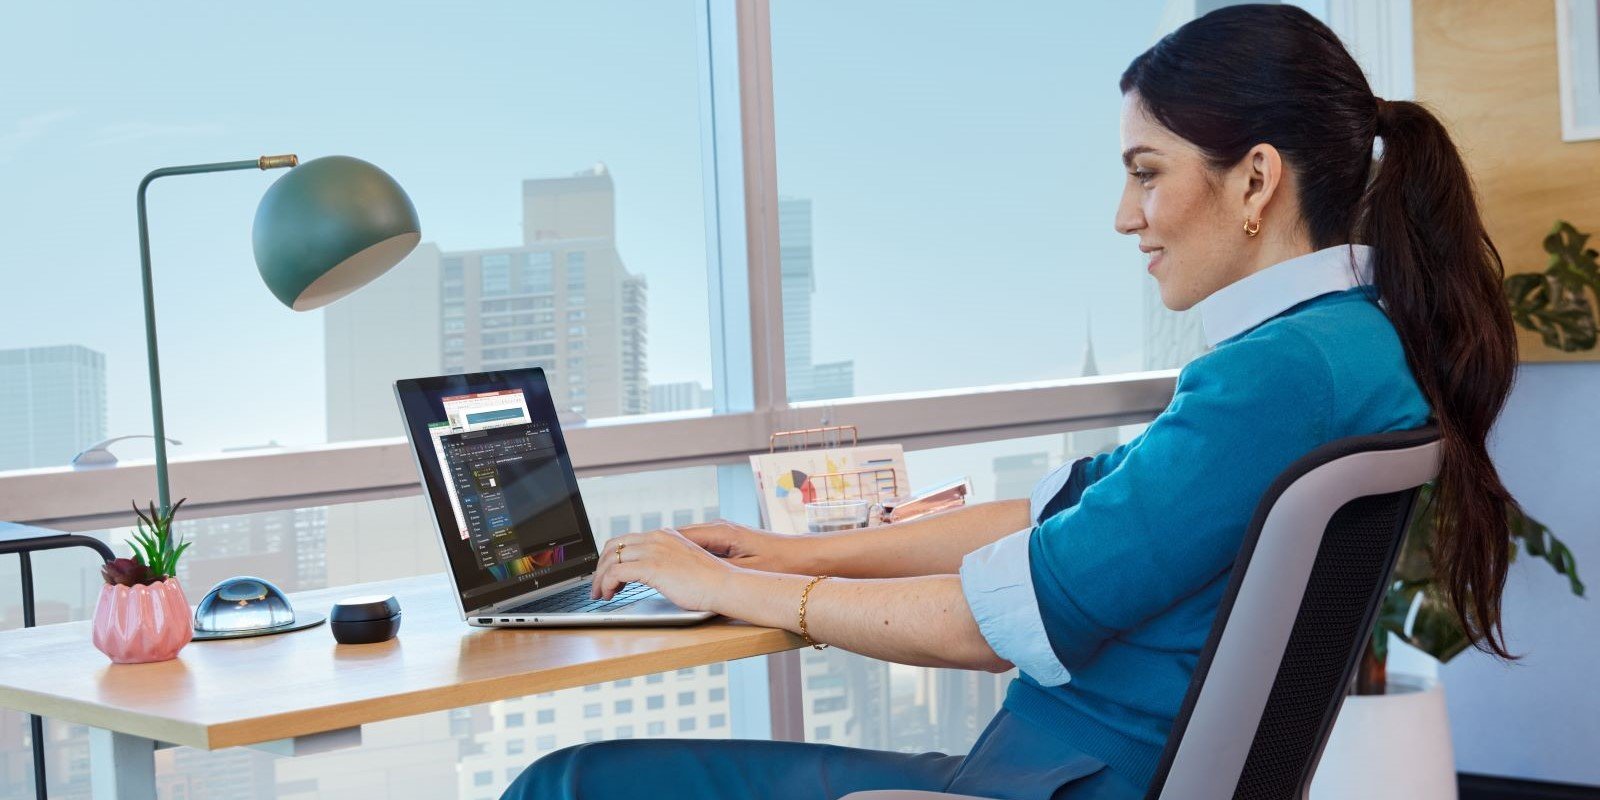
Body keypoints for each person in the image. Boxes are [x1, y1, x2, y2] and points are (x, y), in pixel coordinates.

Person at [504, 5, 1519, 799]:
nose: (1125, 216)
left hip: (1050, 782)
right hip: (1071, 768)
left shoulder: (1277, 376)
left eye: (1145, 173)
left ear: (1254, 180)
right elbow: (1052, 515)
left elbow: (993, 620)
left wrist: (730, 586)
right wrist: (790, 552)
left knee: (568, 781)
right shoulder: (1348, 347)